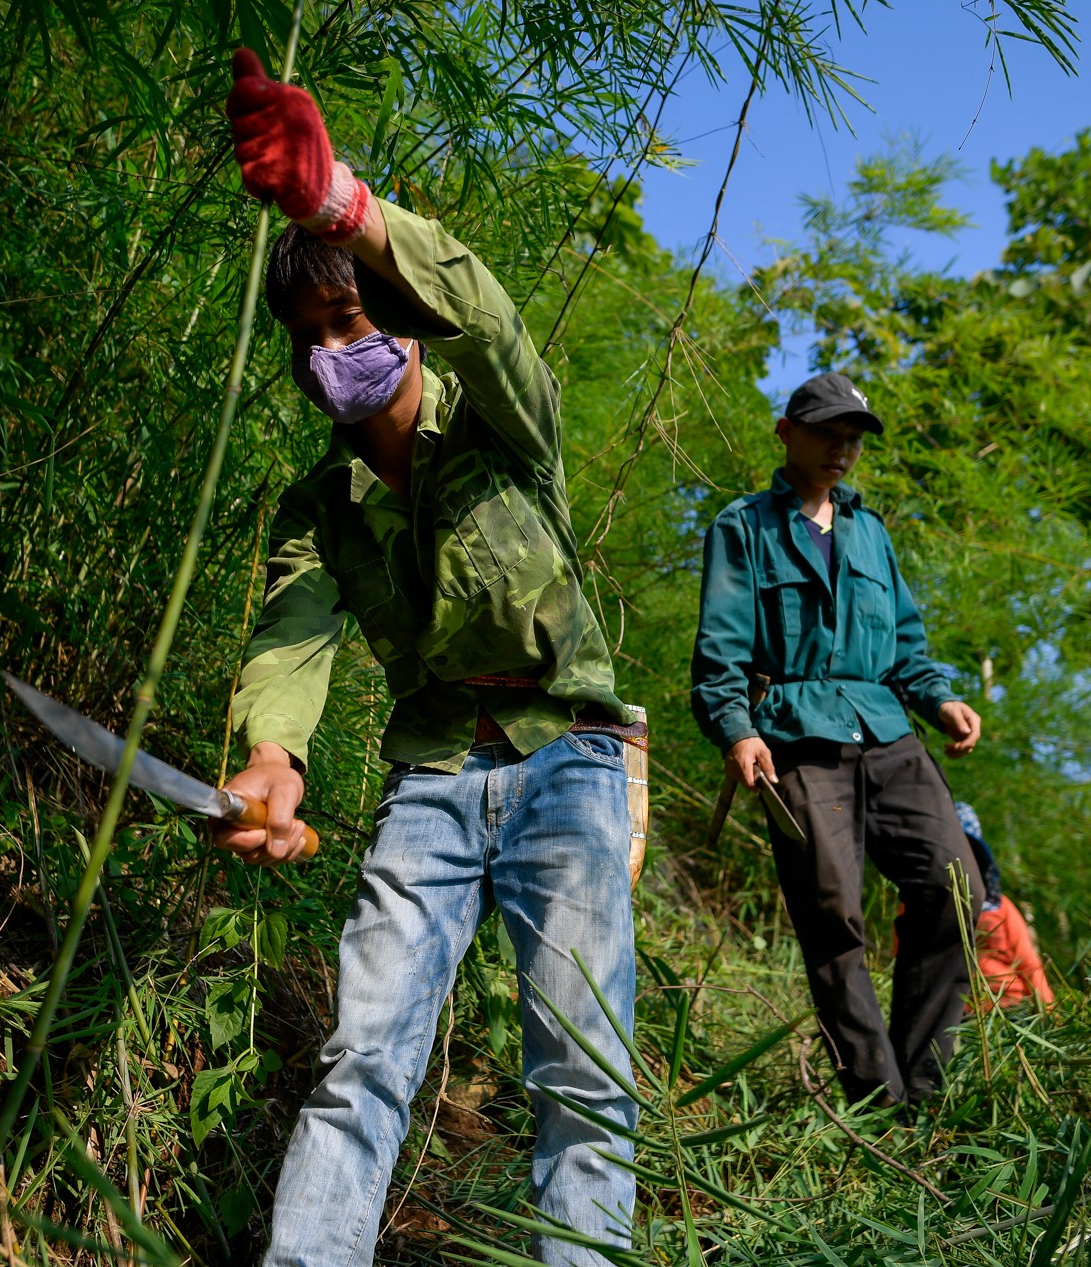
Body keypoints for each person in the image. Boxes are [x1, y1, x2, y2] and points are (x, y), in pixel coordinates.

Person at [212, 48, 643, 1267]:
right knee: (363, 1058)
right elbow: (293, 637)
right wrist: (272, 756)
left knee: (582, 1070)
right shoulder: (322, 504)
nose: (324, 358)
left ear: (398, 322)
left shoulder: (505, 425)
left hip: (572, 759)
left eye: (344, 322)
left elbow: (496, 323)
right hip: (433, 777)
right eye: (304, 339)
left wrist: (339, 207)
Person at [689, 372, 985, 1108]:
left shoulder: (870, 531)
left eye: (852, 438)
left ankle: (923, 1088)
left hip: (887, 729)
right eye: (828, 433)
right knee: (833, 914)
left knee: (957, 887)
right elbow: (719, 649)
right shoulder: (744, 526)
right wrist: (736, 729)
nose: (842, 450)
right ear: (787, 432)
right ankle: (877, 1103)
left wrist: (940, 696)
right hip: (796, 737)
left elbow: (906, 640)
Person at [954, 802, 1055, 1011]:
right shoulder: (920, 905)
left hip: (1007, 1006)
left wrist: (1049, 1013)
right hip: (954, 1011)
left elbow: (1028, 963)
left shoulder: (999, 907)